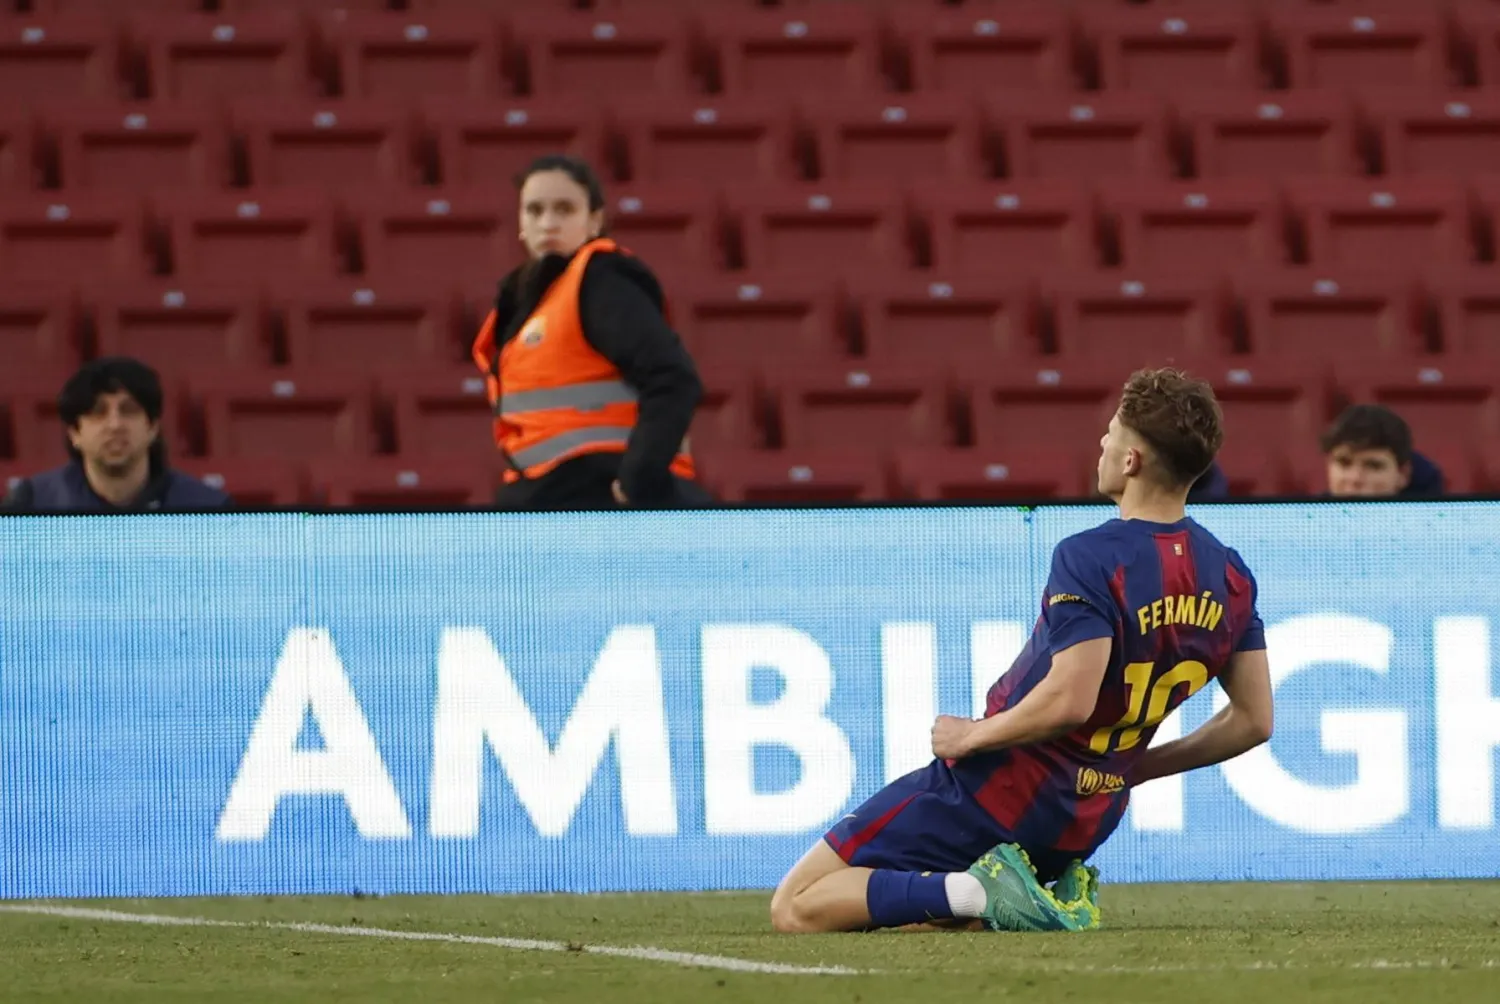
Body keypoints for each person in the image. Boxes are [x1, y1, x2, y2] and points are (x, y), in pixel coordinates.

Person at [769, 368, 1273, 934]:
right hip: (1086, 819)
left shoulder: (1092, 555)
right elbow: (1254, 721)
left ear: (1131, 460)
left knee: (797, 904)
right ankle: (1004, 897)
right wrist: (1135, 768)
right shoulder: (1230, 575)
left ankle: (982, 889)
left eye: (1111, 433)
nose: (1102, 445)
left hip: (995, 792)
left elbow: (1070, 700)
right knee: (919, 908)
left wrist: (970, 737)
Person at [471, 154, 708, 510]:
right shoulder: (527, 300)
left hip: (599, 497)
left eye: (564, 209)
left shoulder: (602, 282)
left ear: (594, 220)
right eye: (535, 211)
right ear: (520, 222)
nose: (548, 223)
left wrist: (635, 482)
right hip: (544, 493)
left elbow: (674, 378)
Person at [2, 357, 229, 513]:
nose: (115, 424)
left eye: (128, 410)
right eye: (98, 413)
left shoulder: (209, 508)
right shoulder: (31, 504)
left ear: (153, 428)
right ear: (75, 433)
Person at [1321, 403, 1444, 497]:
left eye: (1373, 466)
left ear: (1403, 475)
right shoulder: (1304, 525)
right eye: (1344, 463)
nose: (1355, 479)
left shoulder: (1440, 527)